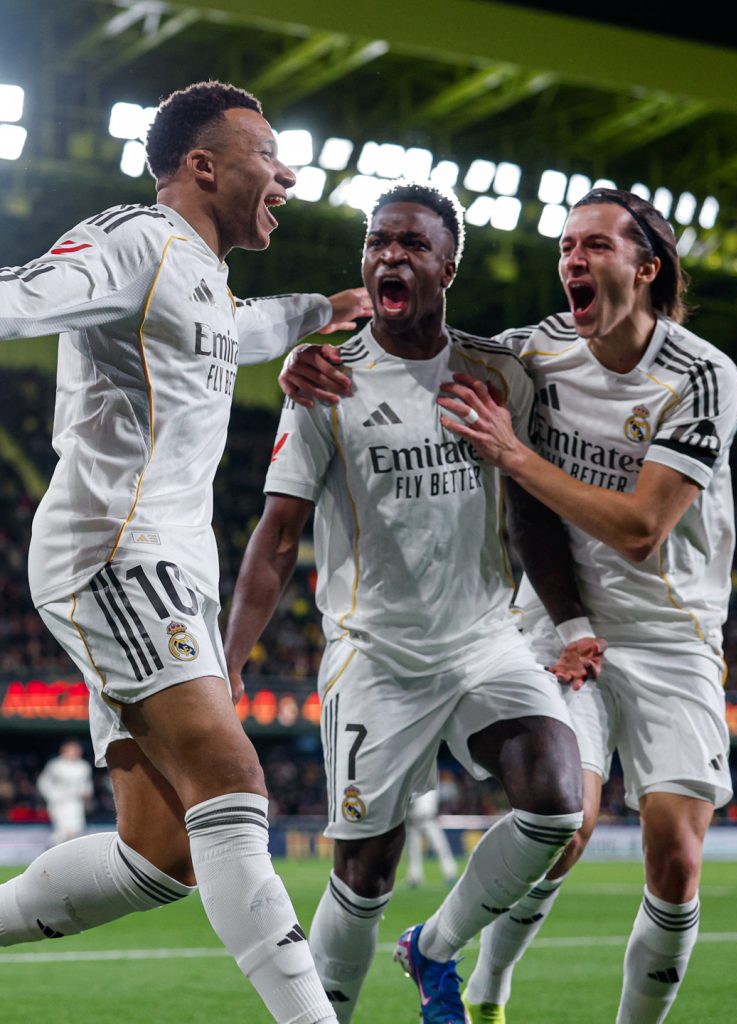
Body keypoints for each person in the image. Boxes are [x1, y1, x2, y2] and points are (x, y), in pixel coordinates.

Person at [0, 79, 371, 1024]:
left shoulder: (200, 273)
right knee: (236, 777)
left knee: (159, 853)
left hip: (164, 569)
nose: (285, 174)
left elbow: (233, 328)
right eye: (266, 155)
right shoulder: (134, 239)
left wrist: (316, 311)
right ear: (202, 165)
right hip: (116, 553)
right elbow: (23, 298)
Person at [225, 181, 591, 1024]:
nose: (390, 255)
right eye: (378, 242)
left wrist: (570, 623)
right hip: (376, 655)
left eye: (413, 244)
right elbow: (278, 535)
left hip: (483, 644)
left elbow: (531, 514)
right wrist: (229, 660)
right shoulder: (324, 382)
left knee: (556, 802)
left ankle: (431, 948)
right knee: (363, 873)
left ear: (448, 267)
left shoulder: (498, 374)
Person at [434, 188, 737, 1024]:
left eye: (596, 245)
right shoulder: (529, 353)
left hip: (672, 635)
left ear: (645, 268)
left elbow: (642, 530)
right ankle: (487, 989)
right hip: (562, 627)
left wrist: (513, 455)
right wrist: (313, 346)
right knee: (562, 827)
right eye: (567, 245)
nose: (574, 258)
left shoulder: (703, 375)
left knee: (676, 857)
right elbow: (414, 349)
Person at [36, 739, 94, 845]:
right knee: (63, 831)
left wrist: (87, 792)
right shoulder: (55, 765)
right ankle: (49, 850)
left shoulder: (83, 766)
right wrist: (52, 796)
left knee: (76, 831)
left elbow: (86, 785)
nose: (76, 752)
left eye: (78, 750)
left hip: (76, 803)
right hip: (60, 803)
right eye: (73, 749)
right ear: (64, 750)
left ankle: (67, 858)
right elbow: (43, 783)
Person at [405, 788, 458, 888]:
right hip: (413, 821)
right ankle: (414, 877)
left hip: (429, 819)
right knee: (413, 852)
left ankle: (450, 873)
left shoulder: (431, 782)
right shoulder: (412, 782)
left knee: (441, 848)